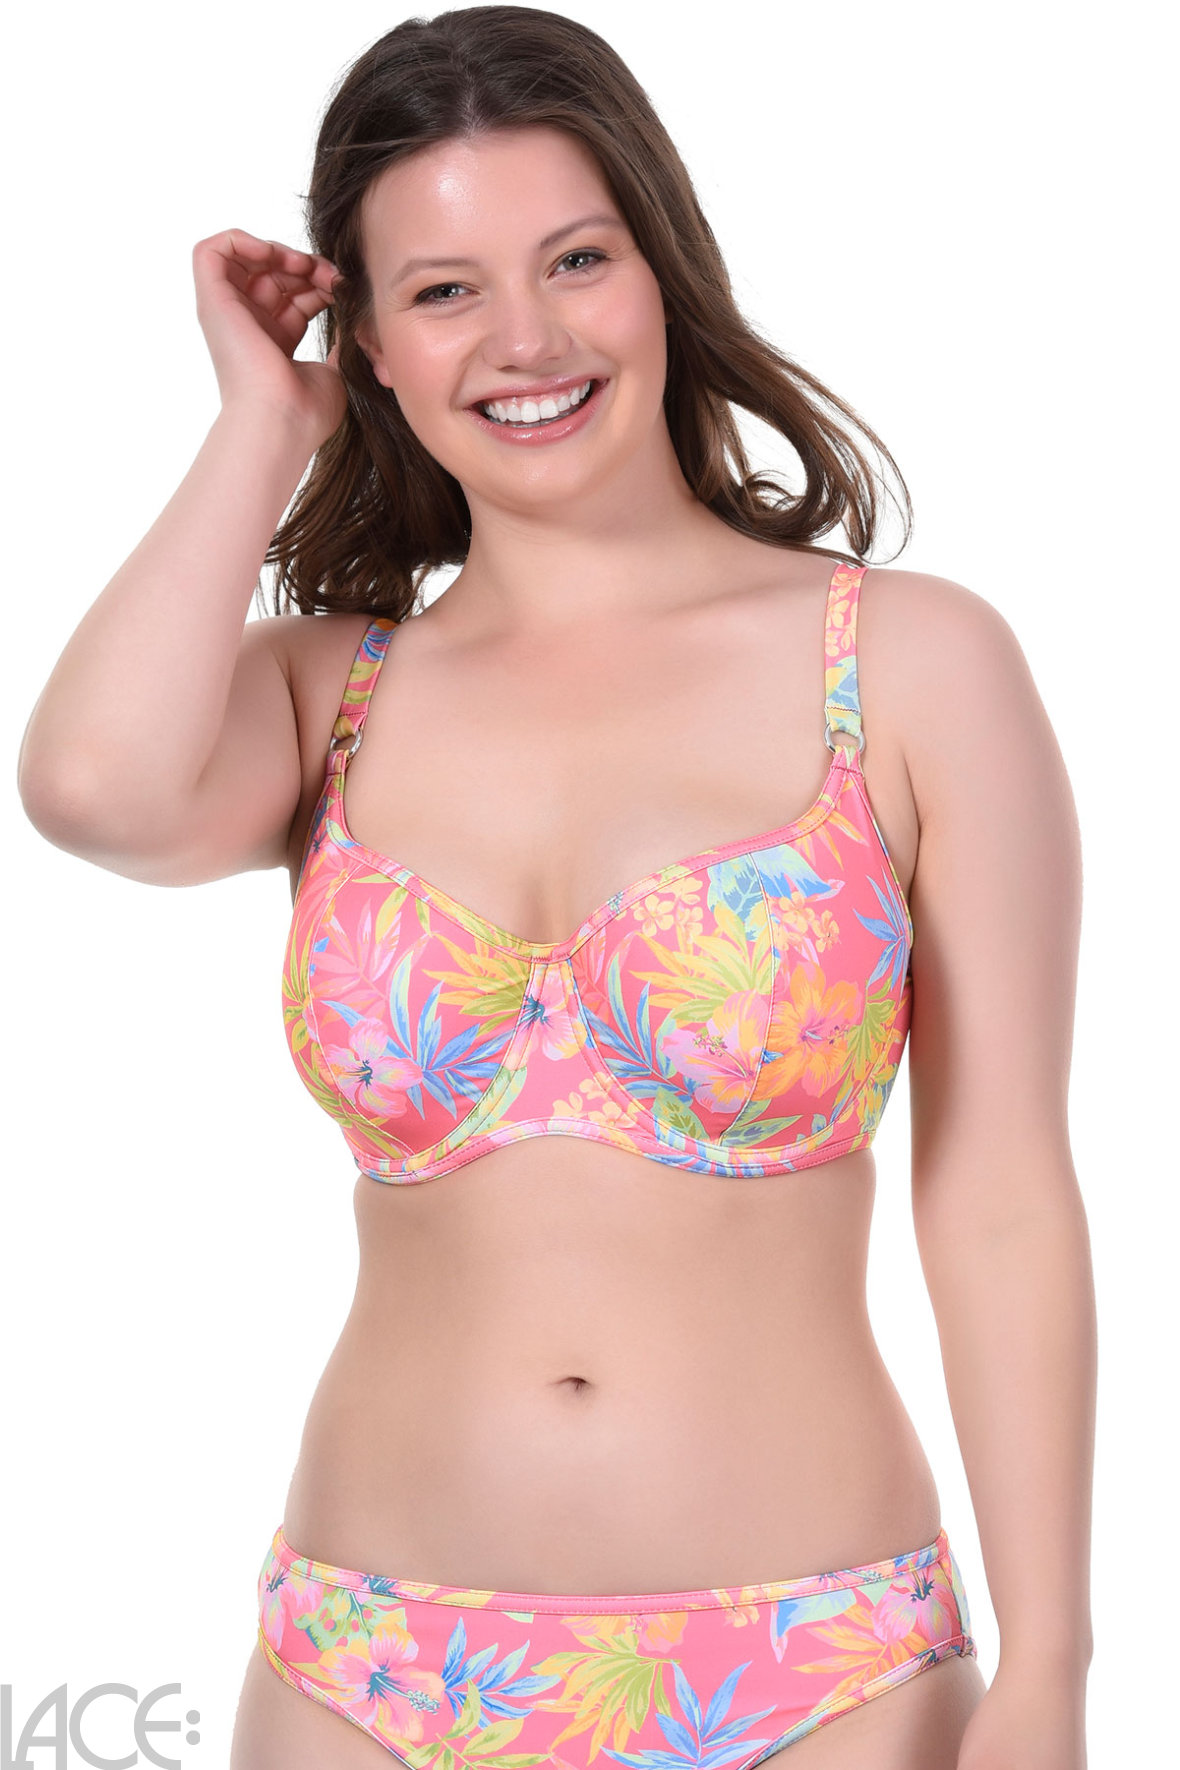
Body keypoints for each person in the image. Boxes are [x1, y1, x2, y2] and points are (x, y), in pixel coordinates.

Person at [17, 6, 1096, 1766]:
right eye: (444, 290)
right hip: (370, 1668)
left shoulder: (910, 663)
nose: (526, 338)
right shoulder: (327, 693)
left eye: (576, 259)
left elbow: (1001, 1200)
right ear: (371, 342)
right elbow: (89, 790)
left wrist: (1049, 1664)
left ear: (662, 268)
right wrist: (259, 427)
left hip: (820, 1672)